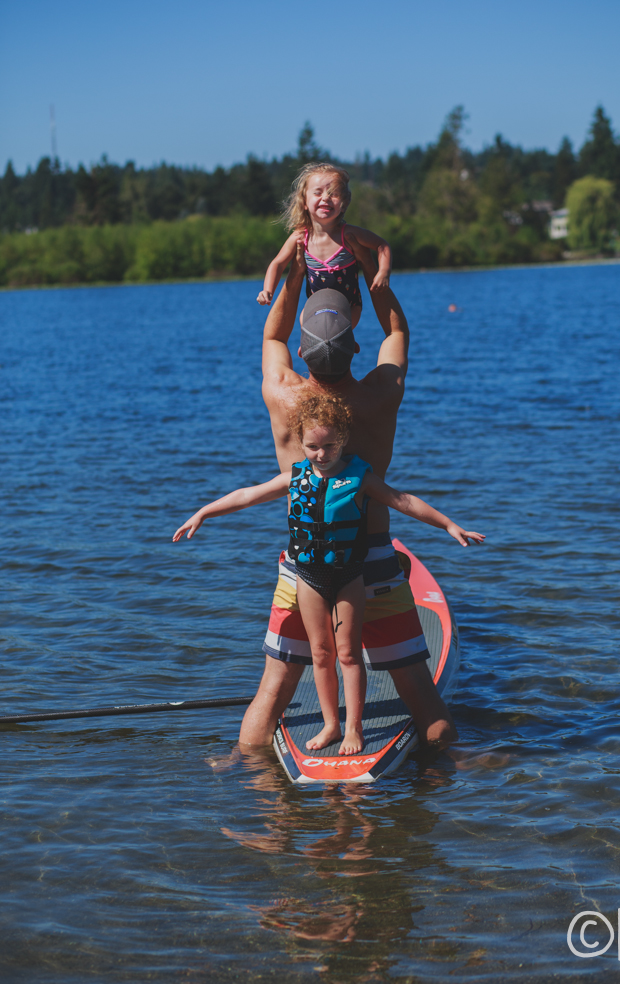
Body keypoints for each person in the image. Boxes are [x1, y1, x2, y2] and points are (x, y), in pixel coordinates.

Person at [239, 249, 466, 750]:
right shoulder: (380, 395)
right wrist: (371, 269)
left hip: (306, 569)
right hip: (375, 561)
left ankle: (244, 774)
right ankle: (449, 773)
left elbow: (272, 335)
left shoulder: (282, 393)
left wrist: (296, 274)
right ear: (355, 344)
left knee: (274, 690)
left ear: (302, 350)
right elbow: (397, 334)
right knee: (422, 698)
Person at [173, 393, 484, 756]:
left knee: (349, 654)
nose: (321, 454)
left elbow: (403, 500)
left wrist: (449, 525)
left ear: (344, 440)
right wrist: (203, 513)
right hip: (307, 577)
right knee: (321, 655)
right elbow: (247, 495)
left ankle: (354, 728)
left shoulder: (359, 477)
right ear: (301, 443)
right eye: (313, 447)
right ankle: (331, 725)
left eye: (330, 445)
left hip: (350, 575)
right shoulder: (295, 476)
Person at [256, 162, 391, 328]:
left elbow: (382, 245)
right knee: (304, 322)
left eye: (333, 194)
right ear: (304, 201)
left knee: (340, 330)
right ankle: (308, 348)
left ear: (344, 202)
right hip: (315, 308)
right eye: (317, 193)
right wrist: (267, 290)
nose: (325, 198)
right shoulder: (301, 237)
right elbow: (278, 263)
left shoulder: (349, 234)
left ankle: (345, 343)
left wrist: (384, 272)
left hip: (350, 307)